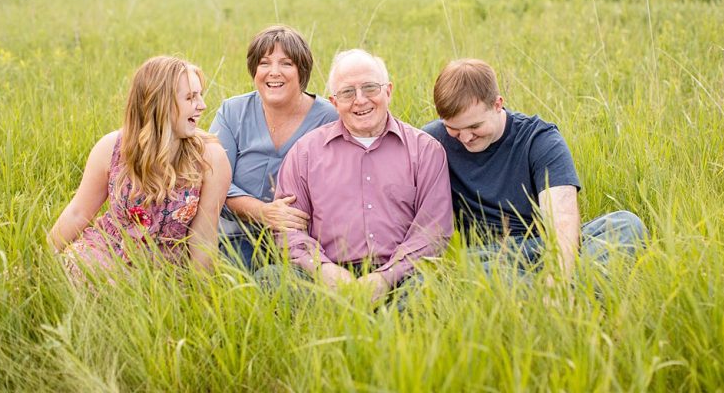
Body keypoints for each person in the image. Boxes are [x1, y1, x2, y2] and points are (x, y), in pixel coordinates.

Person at [422, 59, 646, 281]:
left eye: (475, 126)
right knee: (444, 274)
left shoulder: (540, 139)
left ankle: (551, 292)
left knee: (626, 224)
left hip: (544, 247)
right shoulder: (430, 141)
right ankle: (564, 295)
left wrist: (557, 277)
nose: (465, 138)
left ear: (498, 104)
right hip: (486, 258)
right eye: (453, 128)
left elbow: (563, 219)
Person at [263, 49, 453, 302]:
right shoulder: (305, 153)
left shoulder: (426, 150)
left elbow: (433, 231)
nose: (360, 100)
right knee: (270, 280)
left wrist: (385, 277)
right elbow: (288, 231)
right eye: (347, 92)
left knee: (432, 291)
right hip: (325, 276)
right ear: (334, 101)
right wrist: (324, 270)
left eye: (370, 88)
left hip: (402, 277)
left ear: (388, 91)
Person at [48, 56, 231, 280]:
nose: (202, 105)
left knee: (141, 301)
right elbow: (78, 213)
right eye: (191, 97)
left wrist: (203, 298)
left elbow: (203, 235)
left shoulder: (211, 158)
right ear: (161, 104)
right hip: (108, 250)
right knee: (82, 277)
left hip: (166, 268)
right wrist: (41, 261)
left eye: (200, 95)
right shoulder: (112, 147)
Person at [209, 25, 337, 269]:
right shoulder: (232, 112)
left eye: (286, 63)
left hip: (302, 239)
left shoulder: (328, 118)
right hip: (236, 235)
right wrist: (263, 212)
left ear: (302, 71)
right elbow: (214, 180)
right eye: (264, 63)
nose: (273, 72)